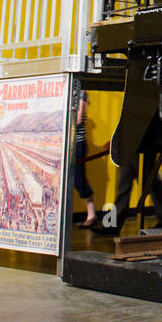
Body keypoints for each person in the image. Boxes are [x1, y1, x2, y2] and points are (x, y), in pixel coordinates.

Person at [72, 81, 99, 229]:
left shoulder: (82, 93)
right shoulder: (64, 92)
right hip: (63, 143)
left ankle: (91, 214)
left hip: (77, 143)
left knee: (79, 179)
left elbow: (78, 118)